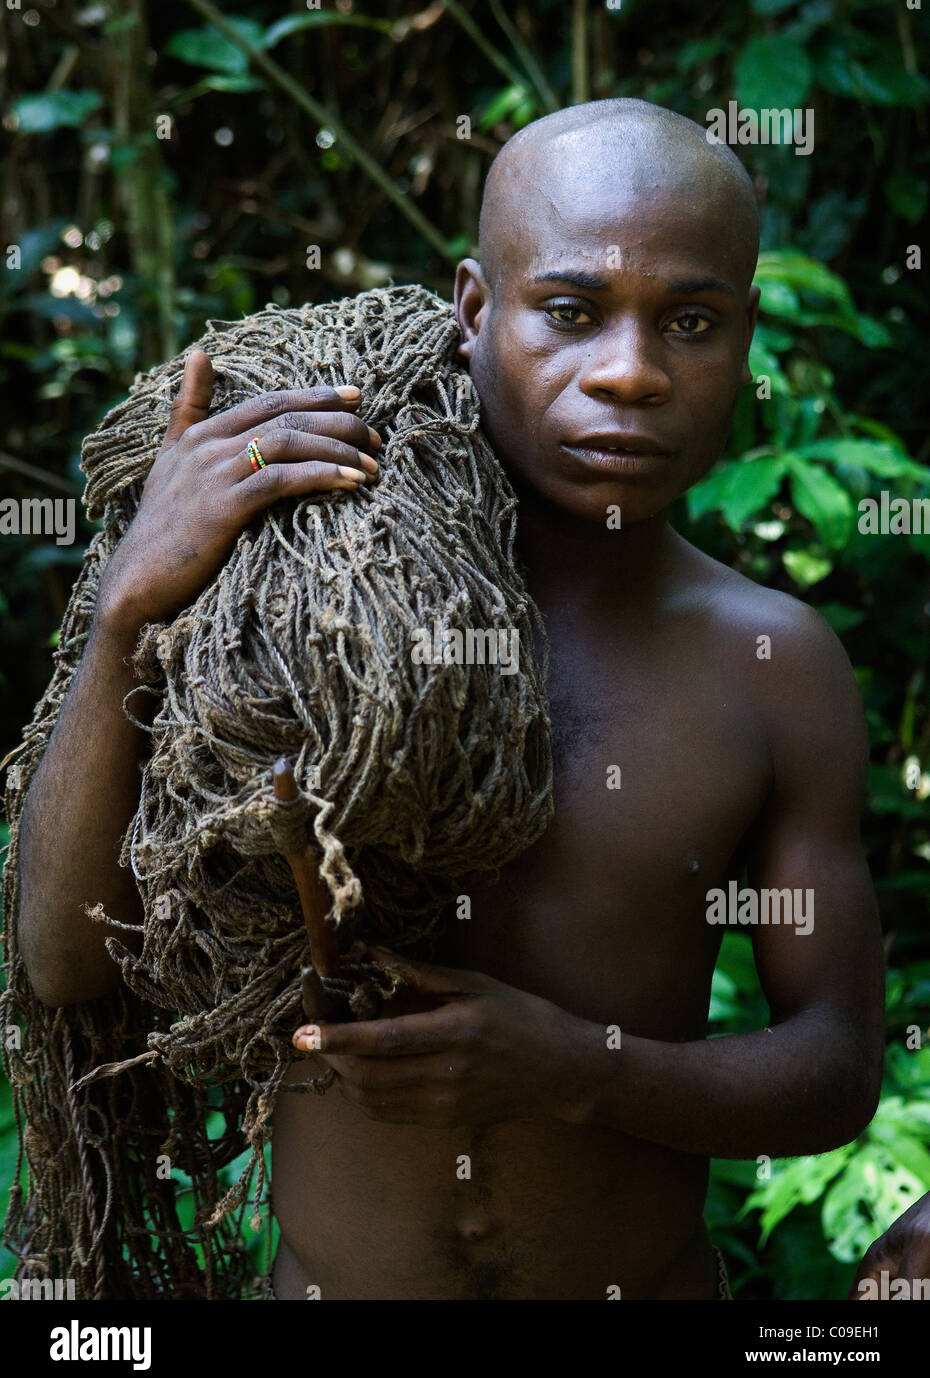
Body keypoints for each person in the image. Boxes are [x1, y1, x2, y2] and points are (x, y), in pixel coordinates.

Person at [15, 98, 885, 1300]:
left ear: (743, 338)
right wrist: (127, 606)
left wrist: (580, 1067)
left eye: (690, 321)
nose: (631, 373)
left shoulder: (772, 665)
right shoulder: (284, 613)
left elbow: (837, 1070)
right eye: (572, 312)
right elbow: (65, 965)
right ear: (478, 312)